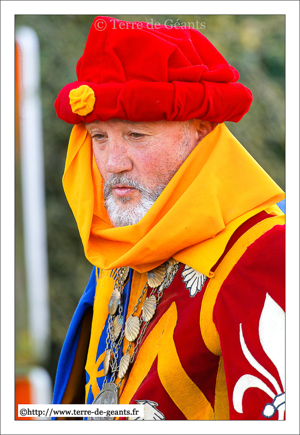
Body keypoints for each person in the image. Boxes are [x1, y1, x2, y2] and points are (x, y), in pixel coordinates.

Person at [52, 16, 285, 420]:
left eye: (136, 135)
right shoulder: (121, 243)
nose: (112, 164)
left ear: (200, 130)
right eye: (99, 137)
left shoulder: (266, 252)